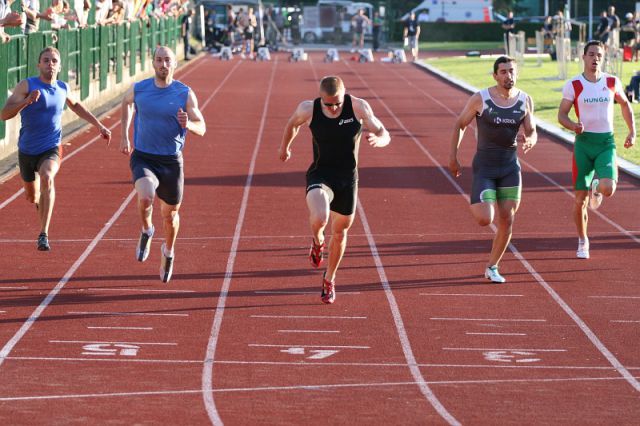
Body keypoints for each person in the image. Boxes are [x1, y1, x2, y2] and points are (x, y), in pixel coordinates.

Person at [278, 76, 390, 304]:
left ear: (344, 95)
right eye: (328, 104)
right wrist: (285, 148)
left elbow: (383, 131)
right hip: (321, 173)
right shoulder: (308, 109)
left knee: (340, 233)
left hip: (347, 179)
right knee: (320, 216)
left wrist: (381, 139)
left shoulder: (358, 106)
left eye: (337, 103)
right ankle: (317, 241)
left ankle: (329, 279)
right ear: (321, 98)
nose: (333, 108)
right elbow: (292, 124)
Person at [0, 46, 111, 251]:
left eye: (53, 61)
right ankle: (41, 203)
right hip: (26, 150)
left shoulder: (63, 88)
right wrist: (26, 102)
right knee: (31, 197)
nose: (50, 64)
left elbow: (77, 106)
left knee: (47, 177)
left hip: (51, 147)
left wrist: (99, 125)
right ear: (38, 64)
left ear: (59, 66)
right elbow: (4, 114)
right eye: (46, 60)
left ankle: (43, 234)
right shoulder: (27, 85)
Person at [120, 46, 206, 283]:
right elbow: (126, 103)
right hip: (144, 156)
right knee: (146, 195)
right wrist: (124, 135)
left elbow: (202, 127)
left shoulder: (184, 93)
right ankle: (147, 229)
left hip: (171, 161)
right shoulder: (140, 89)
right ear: (153, 63)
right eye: (159, 60)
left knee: (170, 216)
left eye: (167, 60)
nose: (162, 64)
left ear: (174, 64)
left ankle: (168, 251)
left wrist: (188, 124)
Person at [449, 56, 537, 283]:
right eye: (504, 72)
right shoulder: (481, 99)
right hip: (485, 167)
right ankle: (481, 202)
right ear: (495, 75)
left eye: (512, 71)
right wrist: (453, 157)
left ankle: (492, 266)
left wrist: (530, 139)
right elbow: (460, 124)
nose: (509, 76)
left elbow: (532, 129)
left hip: (510, 167)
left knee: (507, 219)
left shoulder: (525, 100)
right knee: (484, 219)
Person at [557, 40, 635, 259]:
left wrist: (632, 132)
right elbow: (561, 115)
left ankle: (598, 188)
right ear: (583, 57)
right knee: (580, 199)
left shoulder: (612, 81)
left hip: (605, 143)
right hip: (583, 144)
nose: (595, 59)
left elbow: (625, 105)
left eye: (599, 55)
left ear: (603, 57)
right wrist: (573, 125)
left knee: (608, 187)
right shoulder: (574, 84)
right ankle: (583, 240)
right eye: (591, 54)